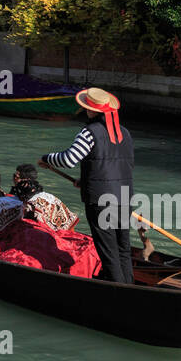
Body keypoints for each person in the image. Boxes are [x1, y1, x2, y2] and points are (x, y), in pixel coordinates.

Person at [38, 87, 135, 284]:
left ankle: (121, 297)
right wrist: (86, 182)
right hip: (125, 199)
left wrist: (47, 158)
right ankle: (130, 287)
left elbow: (69, 159)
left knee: (109, 252)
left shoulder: (89, 132)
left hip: (101, 202)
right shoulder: (125, 133)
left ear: (91, 109)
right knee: (123, 249)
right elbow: (119, 166)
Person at [11, 163, 77, 232]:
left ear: (26, 180)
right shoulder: (49, 197)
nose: (14, 178)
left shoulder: (32, 204)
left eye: (16, 176)